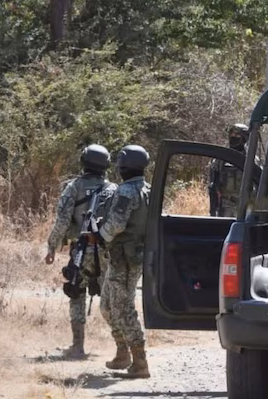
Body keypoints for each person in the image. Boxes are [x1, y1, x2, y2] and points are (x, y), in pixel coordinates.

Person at [44, 144, 116, 359]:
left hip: (81, 249)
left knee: (76, 293)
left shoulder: (74, 187)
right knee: (110, 298)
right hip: (106, 250)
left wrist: (52, 246)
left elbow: (63, 219)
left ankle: (78, 346)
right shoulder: (113, 189)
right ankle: (124, 347)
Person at [98, 145, 151, 379]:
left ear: (123, 166)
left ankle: (140, 362)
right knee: (107, 306)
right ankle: (123, 352)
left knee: (123, 308)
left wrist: (100, 236)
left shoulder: (127, 191)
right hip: (126, 257)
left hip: (125, 259)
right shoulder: (148, 190)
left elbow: (117, 224)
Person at [208, 124, 249, 217]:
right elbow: (212, 186)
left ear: (244, 138)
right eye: (231, 135)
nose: (233, 137)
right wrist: (213, 211)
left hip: (244, 207)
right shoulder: (220, 158)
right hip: (225, 206)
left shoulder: (251, 160)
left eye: (237, 135)